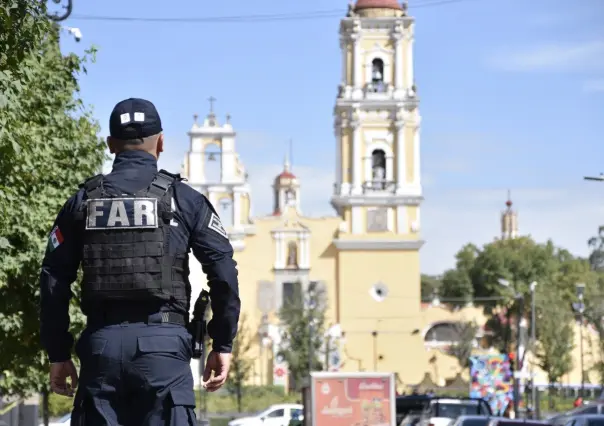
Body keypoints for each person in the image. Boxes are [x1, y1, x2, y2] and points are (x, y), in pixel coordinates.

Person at [39, 98, 241, 425]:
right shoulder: (185, 200)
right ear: (161, 143)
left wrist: (58, 352)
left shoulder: (82, 202)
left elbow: (53, 279)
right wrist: (222, 342)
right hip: (165, 355)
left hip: (101, 351)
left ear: (110, 145)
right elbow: (223, 273)